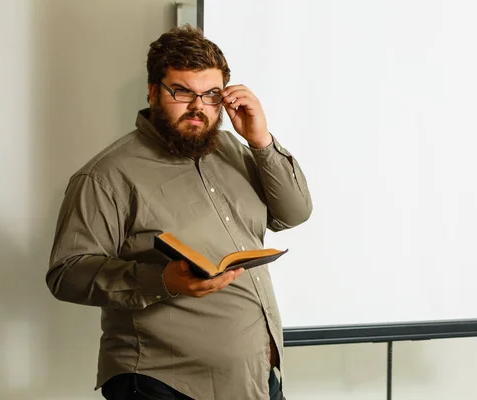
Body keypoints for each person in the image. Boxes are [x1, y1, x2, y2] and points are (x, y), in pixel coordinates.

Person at [46, 24, 312, 400]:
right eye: (182, 91)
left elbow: (294, 213)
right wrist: (164, 280)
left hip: (255, 379)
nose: (197, 108)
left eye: (210, 95)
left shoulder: (234, 150)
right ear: (154, 92)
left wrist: (261, 141)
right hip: (162, 384)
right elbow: (66, 273)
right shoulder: (106, 175)